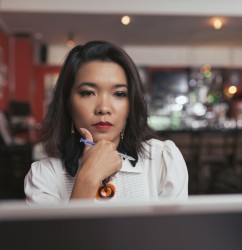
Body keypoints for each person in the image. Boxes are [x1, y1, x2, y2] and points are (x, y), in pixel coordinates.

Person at [24, 40, 188, 204]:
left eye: (118, 94)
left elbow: (174, 230)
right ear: (68, 103)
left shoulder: (162, 160)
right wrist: (88, 177)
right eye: (88, 93)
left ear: (130, 104)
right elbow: (64, 231)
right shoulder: (44, 174)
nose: (103, 108)